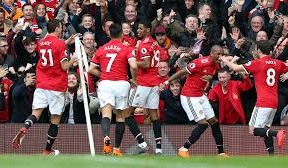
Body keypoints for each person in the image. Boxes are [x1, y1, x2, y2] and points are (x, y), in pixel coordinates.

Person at [12, 19, 76, 155]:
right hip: (56, 86)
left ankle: (25, 127)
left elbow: (51, 49)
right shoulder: (59, 44)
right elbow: (64, 66)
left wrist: (65, 42)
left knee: (36, 113)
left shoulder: (41, 43)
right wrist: (73, 59)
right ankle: (47, 150)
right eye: (61, 28)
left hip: (41, 85)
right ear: (57, 29)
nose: (62, 29)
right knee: (55, 119)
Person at [220, 40, 288, 155]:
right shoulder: (278, 63)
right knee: (260, 129)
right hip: (273, 102)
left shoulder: (257, 63)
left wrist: (225, 60)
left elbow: (236, 68)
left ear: (258, 50)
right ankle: (271, 156)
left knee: (256, 130)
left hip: (263, 102)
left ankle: (277, 133)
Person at [160, 45, 228, 158]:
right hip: (189, 96)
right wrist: (166, 82)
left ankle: (221, 153)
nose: (221, 57)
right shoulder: (200, 62)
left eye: (222, 54)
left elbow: (207, 79)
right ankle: (183, 149)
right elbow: (182, 72)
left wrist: (208, 83)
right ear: (212, 53)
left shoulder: (215, 66)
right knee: (203, 124)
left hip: (200, 95)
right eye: (219, 54)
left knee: (214, 122)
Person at [88, 23, 138, 156]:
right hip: (122, 83)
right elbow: (133, 66)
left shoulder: (101, 49)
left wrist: (103, 75)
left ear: (109, 34)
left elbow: (91, 69)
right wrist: (134, 79)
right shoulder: (127, 48)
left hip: (106, 84)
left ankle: (106, 136)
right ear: (122, 34)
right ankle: (116, 148)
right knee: (121, 116)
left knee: (106, 114)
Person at [127, 20, 167, 154]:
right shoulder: (154, 43)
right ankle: (159, 149)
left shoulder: (144, 45)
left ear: (148, 30)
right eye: (137, 28)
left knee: (127, 114)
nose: (138, 30)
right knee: (154, 115)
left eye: (140, 28)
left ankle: (142, 143)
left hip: (144, 83)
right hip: (154, 82)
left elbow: (146, 63)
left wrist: (133, 60)